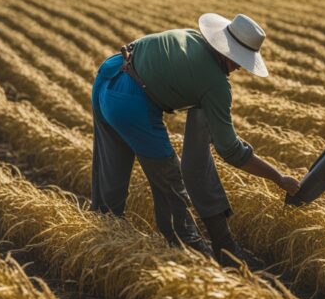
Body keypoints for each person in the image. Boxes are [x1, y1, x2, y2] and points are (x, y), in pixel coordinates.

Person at [90, 13, 301, 266]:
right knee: (169, 182)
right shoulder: (215, 85)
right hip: (132, 104)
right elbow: (231, 150)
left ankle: (102, 252)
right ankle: (191, 256)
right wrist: (278, 177)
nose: (239, 68)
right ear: (226, 52)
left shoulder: (193, 38)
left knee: (110, 183)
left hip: (108, 75)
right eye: (238, 61)